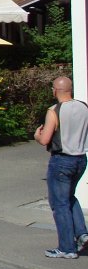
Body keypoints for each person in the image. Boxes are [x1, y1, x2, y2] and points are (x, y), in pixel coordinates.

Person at [34, 75, 88, 259]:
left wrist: (36, 135)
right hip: (80, 158)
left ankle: (67, 248)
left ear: (55, 90)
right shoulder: (83, 106)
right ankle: (82, 234)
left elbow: (45, 140)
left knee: (59, 203)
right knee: (69, 197)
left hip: (61, 160)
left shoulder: (54, 111)